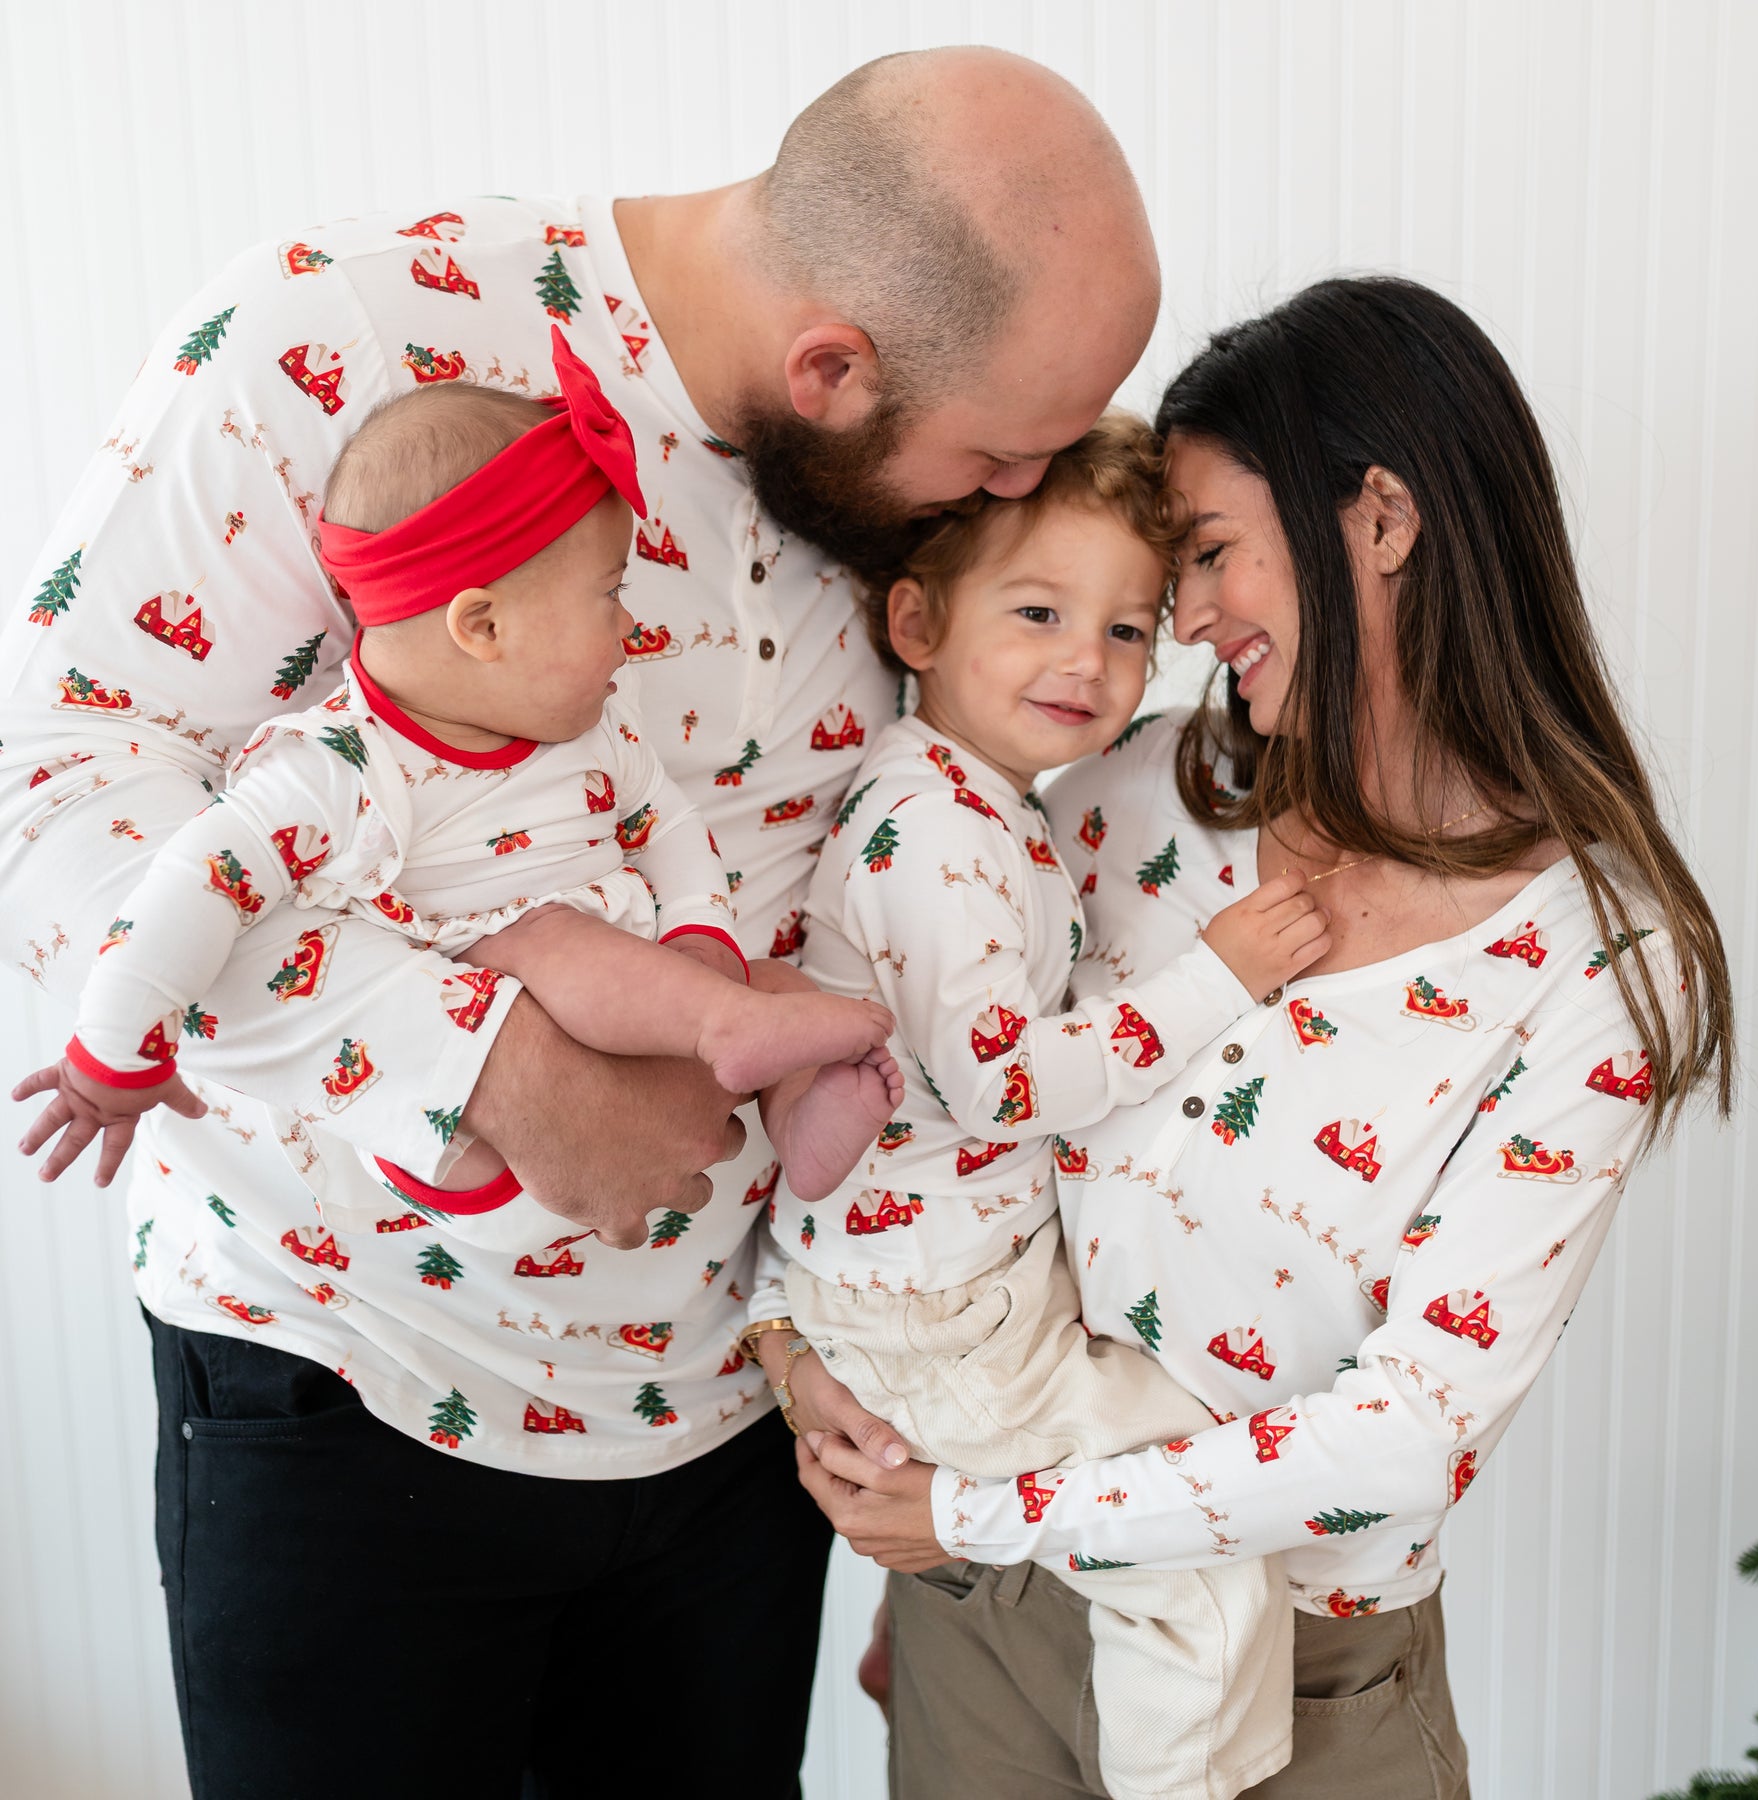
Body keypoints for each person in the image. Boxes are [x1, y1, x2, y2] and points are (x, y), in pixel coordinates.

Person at [0, 48, 1160, 1797]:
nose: (1017, 504)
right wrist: (488, 1068)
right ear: (830, 367)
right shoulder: (349, 330)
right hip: (349, 1395)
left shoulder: (892, 492)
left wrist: (852, 1337)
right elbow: (55, 773)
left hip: (729, 1434)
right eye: (1002, 456)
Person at [792, 276, 1734, 1800]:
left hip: (1293, 1680)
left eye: (1214, 553)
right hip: (989, 1624)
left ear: (1380, 520)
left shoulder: (1595, 969)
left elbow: (1413, 1427)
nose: (1185, 619)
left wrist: (986, 1522)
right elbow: (894, 1082)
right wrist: (798, 1353)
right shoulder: (1113, 793)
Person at [761, 415, 1330, 1800]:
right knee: (1196, 1538)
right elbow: (1005, 1080)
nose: (1090, 661)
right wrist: (1223, 977)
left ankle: (935, 1628)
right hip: (944, 1317)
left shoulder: (981, 802)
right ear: (917, 621)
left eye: (1131, 630)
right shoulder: (945, 833)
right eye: (1039, 612)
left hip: (937, 1291)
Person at [15, 332, 903, 1208]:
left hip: (643, 1005)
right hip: (489, 1061)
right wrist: (113, 1051)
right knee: (553, 942)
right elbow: (191, 888)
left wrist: (703, 935)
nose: (631, 629)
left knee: (775, 984)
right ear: (482, 626)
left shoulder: (594, 725)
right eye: (610, 593)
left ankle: (791, 1113)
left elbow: (663, 823)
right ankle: (727, 1030)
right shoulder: (337, 768)